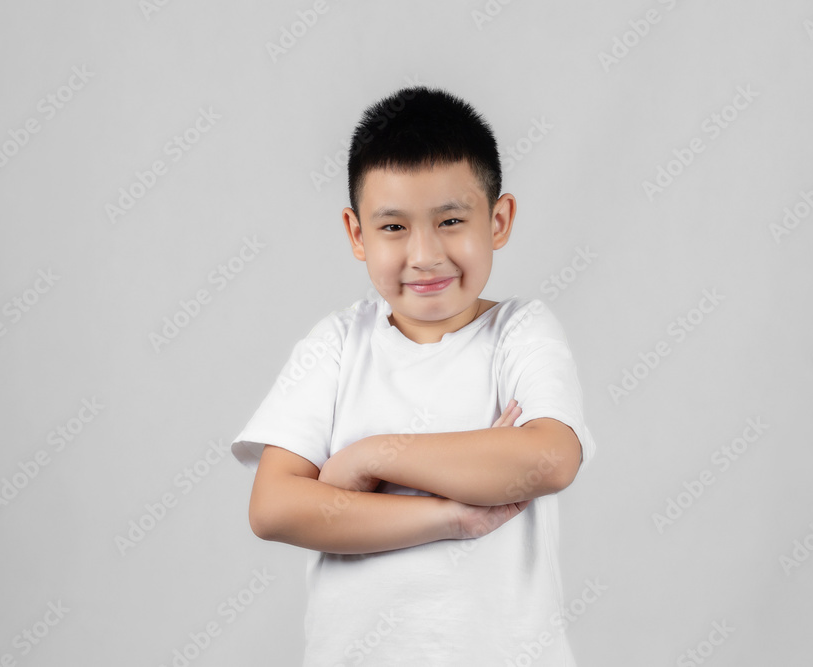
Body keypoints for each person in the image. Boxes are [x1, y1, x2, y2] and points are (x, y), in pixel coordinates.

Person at [230, 86, 595, 665]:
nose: (424, 254)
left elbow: (550, 460)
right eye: (394, 227)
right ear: (357, 234)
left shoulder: (520, 333)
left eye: (451, 220)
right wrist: (450, 515)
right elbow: (274, 508)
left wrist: (367, 459)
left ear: (498, 220)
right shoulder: (336, 346)